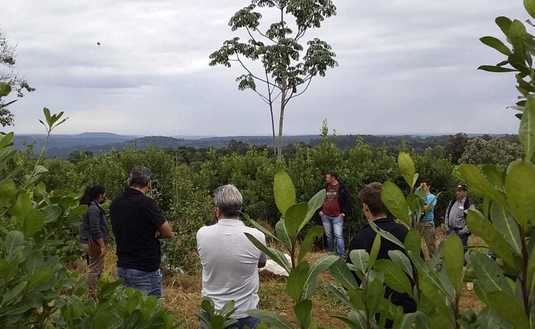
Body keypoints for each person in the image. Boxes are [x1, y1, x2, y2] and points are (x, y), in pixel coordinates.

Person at [197, 185, 267, 329]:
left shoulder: (202, 234)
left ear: (217, 211)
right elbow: (261, 263)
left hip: (212, 314)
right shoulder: (257, 236)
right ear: (239, 210)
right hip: (246, 313)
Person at [347, 183, 416, 317]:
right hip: (407, 310)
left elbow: (352, 281)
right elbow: (417, 268)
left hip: (376, 311)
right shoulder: (405, 233)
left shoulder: (360, 238)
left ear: (366, 208)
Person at [110, 167, 175, 298]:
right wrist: (157, 233)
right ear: (148, 183)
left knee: (129, 311)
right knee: (149, 313)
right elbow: (168, 232)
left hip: (123, 266)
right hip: (144, 268)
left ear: (129, 182)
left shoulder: (115, 203)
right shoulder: (147, 204)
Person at [79, 185, 108, 297]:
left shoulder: (90, 207)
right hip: (93, 243)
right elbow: (95, 229)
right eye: (104, 194)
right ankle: (92, 294)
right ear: (100, 195)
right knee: (95, 269)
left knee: (95, 267)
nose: (105, 196)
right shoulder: (93, 209)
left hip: (88, 241)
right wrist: (102, 245)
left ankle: (94, 291)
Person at [319, 172, 351, 257]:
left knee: (338, 236)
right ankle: (331, 255)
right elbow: (321, 198)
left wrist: (344, 213)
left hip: (337, 216)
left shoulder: (342, 188)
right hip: (325, 215)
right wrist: (321, 210)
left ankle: (342, 255)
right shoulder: (325, 187)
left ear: (333, 178)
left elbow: (347, 200)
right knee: (329, 236)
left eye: (327, 177)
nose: (326, 179)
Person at [445, 184, 471, 248]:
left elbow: (471, 221)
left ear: (465, 192)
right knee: (451, 251)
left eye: (459, 191)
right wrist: (447, 226)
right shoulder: (452, 201)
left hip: (461, 233)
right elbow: (447, 214)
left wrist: (463, 231)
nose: (457, 193)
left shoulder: (468, 204)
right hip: (451, 231)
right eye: (457, 191)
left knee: (461, 252)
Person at [418, 180, 437, 258]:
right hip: (418, 223)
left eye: (423, 186)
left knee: (430, 245)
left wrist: (419, 207)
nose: (421, 188)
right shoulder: (419, 197)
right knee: (416, 245)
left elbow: (427, 208)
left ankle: (435, 264)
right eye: (420, 186)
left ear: (428, 187)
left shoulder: (432, 197)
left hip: (427, 224)